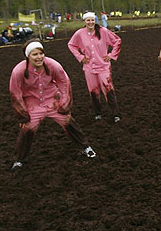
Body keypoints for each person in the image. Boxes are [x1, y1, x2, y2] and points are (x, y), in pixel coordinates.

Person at [9, 40, 96, 171]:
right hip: (33, 103)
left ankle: (85, 147)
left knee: (67, 121)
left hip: (52, 99)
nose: (39, 57)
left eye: (41, 53)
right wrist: (22, 113)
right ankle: (19, 160)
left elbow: (64, 82)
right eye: (35, 54)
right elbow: (15, 92)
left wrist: (64, 103)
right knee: (27, 128)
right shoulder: (19, 71)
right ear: (28, 56)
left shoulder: (52, 65)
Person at [67, 12, 123, 122]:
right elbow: (71, 45)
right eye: (88, 20)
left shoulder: (103, 31)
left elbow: (117, 41)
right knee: (93, 91)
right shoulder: (80, 34)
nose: (90, 22)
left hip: (103, 67)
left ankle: (115, 114)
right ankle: (98, 113)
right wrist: (80, 57)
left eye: (92, 20)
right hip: (89, 68)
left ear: (95, 20)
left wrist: (111, 55)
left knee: (108, 90)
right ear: (84, 21)